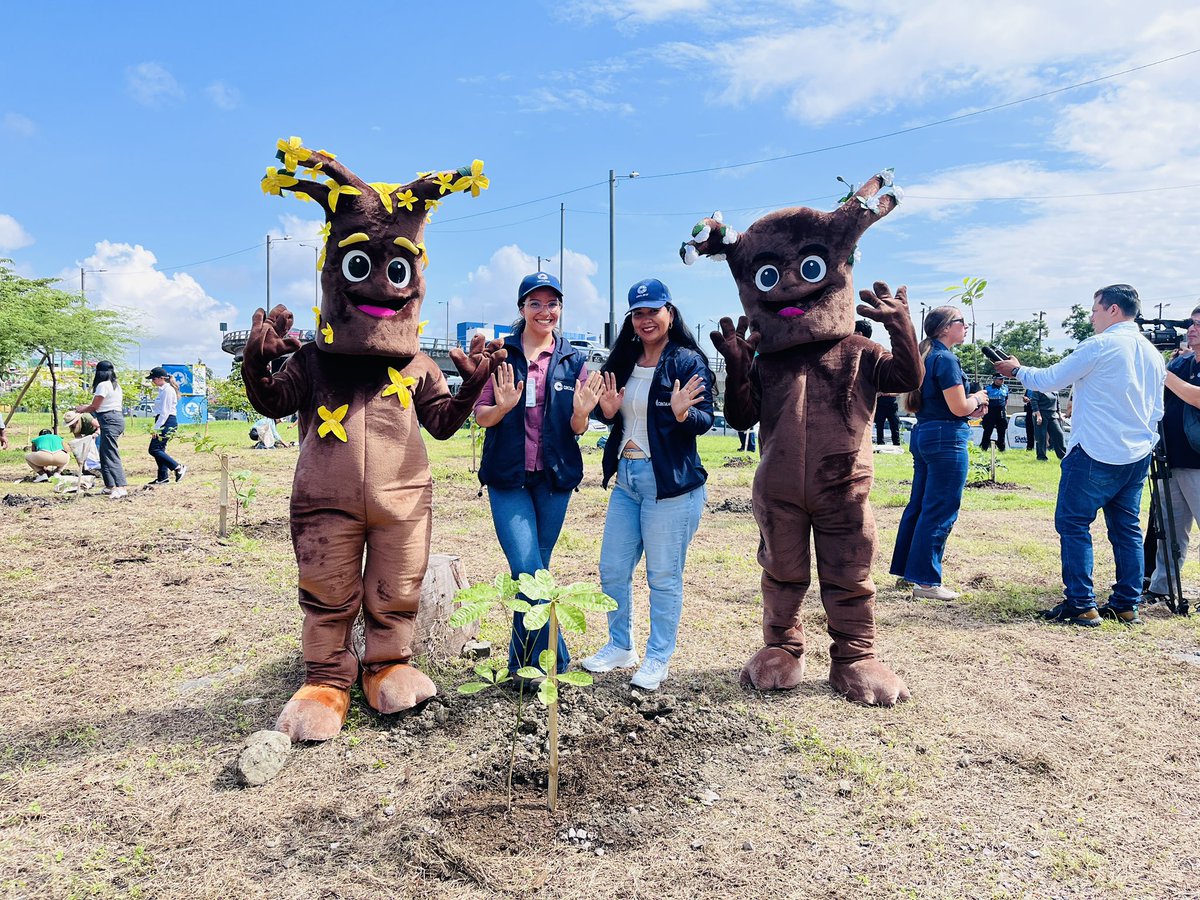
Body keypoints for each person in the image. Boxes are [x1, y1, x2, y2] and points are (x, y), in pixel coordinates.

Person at [995, 285, 1165, 626]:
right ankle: (1126, 603)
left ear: (1113, 310)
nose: (1091, 317)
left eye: (1095, 310)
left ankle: (1081, 603)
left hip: (1094, 450)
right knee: (1127, 529)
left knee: (1073, 524)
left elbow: (1050, 379)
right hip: (1136, 454)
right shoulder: (1153, 353)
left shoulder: (1099, 345)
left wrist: (1016, 370)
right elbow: (1156, 408)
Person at [582, 278, 713, 691]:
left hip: (670, 486)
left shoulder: (687, 362)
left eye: (653, 311)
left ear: (669, 313)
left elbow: (705, 419)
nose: (645, 320)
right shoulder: (623, 358)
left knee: (663, 576)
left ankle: (658, 657)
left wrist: (682, 414)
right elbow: (609, 413)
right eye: (638, 313)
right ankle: (620, 646)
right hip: (627, 480)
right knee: (612, 569)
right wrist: (605, 412)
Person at [475, 272, 604, 682]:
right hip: (508, 479)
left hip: (554, 480)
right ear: (522, 308)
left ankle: (522, 666)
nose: (544, 311)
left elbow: (578, 427)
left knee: (534, 573)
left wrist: (582, 413)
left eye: (552, 304)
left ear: (560, 309)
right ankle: (555, 661)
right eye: (535, 303)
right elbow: (481, 416)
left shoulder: (573, 360)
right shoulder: (500, 355)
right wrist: (503, 407)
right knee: (528, 571)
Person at [890, 307, 990, 601]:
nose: (966, 326)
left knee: (920, 505)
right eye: (961, 322)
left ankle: (908, 573)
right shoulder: (946, 359)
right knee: (940, 508)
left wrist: (969, 408)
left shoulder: (926, 356)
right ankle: (926, 581)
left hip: (925, 432)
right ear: (946, 328)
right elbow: (959, 407)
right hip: (947, 438)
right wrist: (977, 399)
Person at [1145, 306, 1200, 605]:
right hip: (1172, 458)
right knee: (1169, 530)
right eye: (1191, 323)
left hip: (1198, 462)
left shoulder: (1172, 370)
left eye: (1198, 324)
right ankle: (1161, 587)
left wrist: (1162, 372)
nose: (1191, 329)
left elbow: (1196, 397)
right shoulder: (1181, 363)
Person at [74, 360, 128, 500]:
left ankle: (121, 487)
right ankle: (110, 485)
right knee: (103, 454)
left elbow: (95, 407)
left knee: (110, 454)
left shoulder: (103, 385)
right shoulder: (115, 385)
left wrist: (81, 409)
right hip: (114, 418)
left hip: (109, 420)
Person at [146, 366, 187, 485]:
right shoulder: (162, 390)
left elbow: (165, 412)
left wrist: (156, 428)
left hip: (167, 421)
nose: (152, 381)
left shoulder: (168, 391)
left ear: (161, 378)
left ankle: (177, 467)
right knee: (160, 449)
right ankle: (162, 477)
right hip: (162, 420)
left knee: (154, 449)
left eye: (153, 379)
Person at [1029, 387, 1066, 460]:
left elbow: (1057, 403)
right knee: (1041, 437)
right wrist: (1038, 415)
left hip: (1052, 414)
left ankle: (1062, 456)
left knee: (1059, 434)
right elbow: (1034, 401)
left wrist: (1060, 414)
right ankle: (1041, 457)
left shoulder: (1054, 389)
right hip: (1041, 414)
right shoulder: (1038, 388)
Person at [979, 374, 1009, 451]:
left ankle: (1002, 448)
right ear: (995, 379)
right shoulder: (987, 388)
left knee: (1001, 430)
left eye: (1003, 379)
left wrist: (1005, 410)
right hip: (990, 412)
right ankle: (984, 447)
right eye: (1000, 379)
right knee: (988, 430)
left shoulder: (1005, 388)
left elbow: (1006, 400)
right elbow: (983, 401)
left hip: (1001, 412)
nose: (1002, 380)